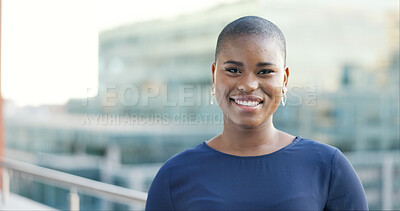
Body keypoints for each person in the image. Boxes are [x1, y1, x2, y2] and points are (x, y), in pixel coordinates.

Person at [145, 16, 368, 210]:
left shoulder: (328, 167)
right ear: (214, 75)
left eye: (265, 72)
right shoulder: (174, 175)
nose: (248, 84)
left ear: (285, 79)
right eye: (233, 70)